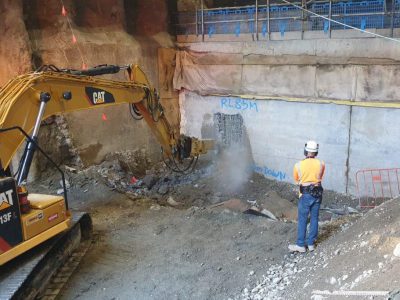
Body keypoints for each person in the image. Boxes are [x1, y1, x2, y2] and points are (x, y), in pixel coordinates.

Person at [288, 140, 325, 253]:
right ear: (316, 152)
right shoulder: (321, 164)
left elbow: (296, 179)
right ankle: (311, 244)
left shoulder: (298, 165)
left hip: (305, 194)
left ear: (305, 151)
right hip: (317, 193)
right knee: (314, 218)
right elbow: (320, 176)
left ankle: (300, 245)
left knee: (303, 219)